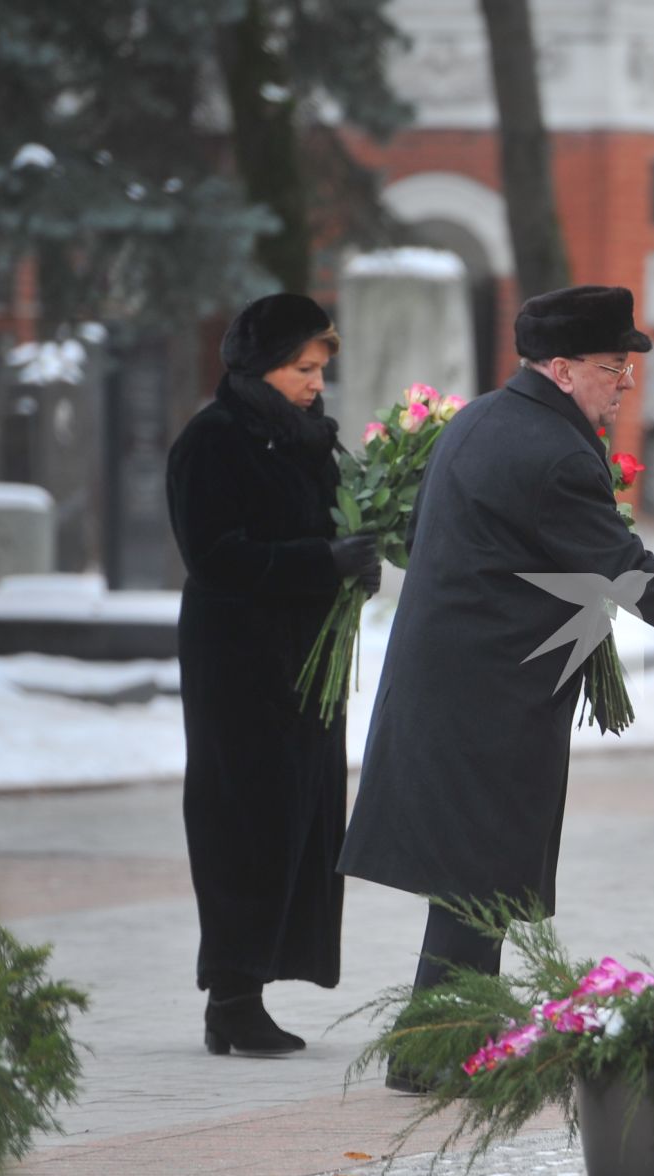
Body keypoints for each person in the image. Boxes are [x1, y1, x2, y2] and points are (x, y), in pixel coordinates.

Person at [338, 286, 654, 1086]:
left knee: (470, 878)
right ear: (561, 369)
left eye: (627, 365)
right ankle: (430, 1053)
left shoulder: (483, 419)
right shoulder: (553, 452)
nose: (625, 382)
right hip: (490, 695)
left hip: (449, 682)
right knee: (474, 876)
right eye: (612, 365)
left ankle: (437, 1043)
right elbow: (632, 577)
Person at [166, 293, 382, 1056]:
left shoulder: (308, 440)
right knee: (242, 815)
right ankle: (232, 995)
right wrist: (320, 562)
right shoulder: (213, 440)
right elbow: (215, 556)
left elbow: (332, 527)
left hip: (304, 660)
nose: (317, 382)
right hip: (239, 662)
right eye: (303, 368)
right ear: (261, 365)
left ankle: (261, 975)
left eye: (320, 368)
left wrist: (357, 559)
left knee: (301, 813)